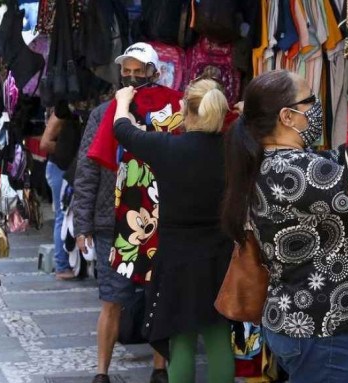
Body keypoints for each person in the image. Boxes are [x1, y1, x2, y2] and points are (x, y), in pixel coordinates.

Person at [220, 70, 348, 383]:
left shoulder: (276, 162)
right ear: (287, 116)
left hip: (311, 323)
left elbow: (338, 163)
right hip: (325, 327)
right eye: (310, 100)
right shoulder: (295, 171)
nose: (316, 108)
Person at [112, 79, 235, 383]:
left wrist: (123, 101)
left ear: (185, 110)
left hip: (176, 258)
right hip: (221, 255)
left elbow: (122, 130)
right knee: (219, 337)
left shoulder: (167, 147)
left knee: (180, 338)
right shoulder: (234, 149)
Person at [72, 43, 170, 383]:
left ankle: (160, 368)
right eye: (126, 70)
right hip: (109, 221)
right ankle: (102, 371)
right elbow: (87, 170)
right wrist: (81, 222)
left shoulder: (168, 111)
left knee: (159, 297)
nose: (131, 76)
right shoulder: (103, 113)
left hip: (158, 219)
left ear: (154, 73)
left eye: (138, 70)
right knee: (112, 299)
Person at [40, 103, 79, 281]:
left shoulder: (73, 113)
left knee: (68, 215)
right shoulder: (60, 113)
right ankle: (61, 265)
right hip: (59, 168)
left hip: (67, 167)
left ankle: (68, 263)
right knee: (62, 215)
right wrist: (68, 149)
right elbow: (44, 143)